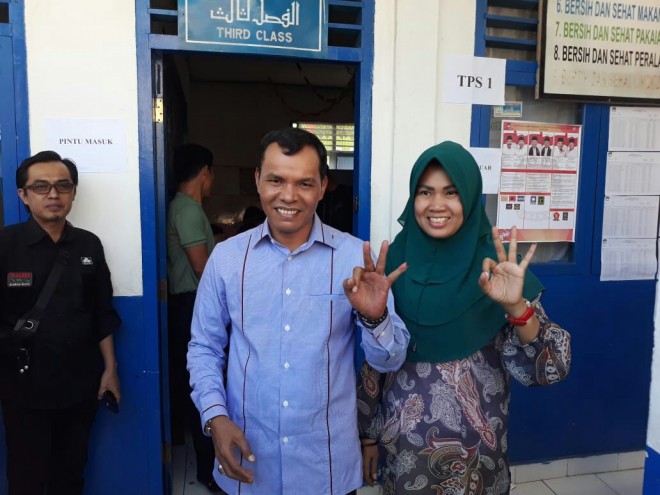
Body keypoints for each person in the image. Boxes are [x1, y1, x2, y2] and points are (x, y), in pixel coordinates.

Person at [187, 127, 410, 495]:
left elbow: (390, 360)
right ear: (258, 180)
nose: (288, 196)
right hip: (249, 463)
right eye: (276, 180)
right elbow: (204, 348)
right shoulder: (226, 259)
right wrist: (215, 416)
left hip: (326, 469)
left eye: (304, 183)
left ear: (322, 187)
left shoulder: (354, 259)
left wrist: (375, 318)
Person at [357, 141, 571, 495]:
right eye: (425, 192)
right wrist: (367, 434)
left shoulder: (498, 269)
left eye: (451, 192)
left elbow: (551, 369)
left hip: (479, 459)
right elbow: (374, 364)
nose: (437, 204)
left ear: (470, 197)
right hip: (406, 456)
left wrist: (517, 308)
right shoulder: (392, 265)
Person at [0, 150, 121, 495]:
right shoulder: (6, 245)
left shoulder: (89, 245)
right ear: (23, 195)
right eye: (41, 186)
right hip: (23, 388)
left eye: (62, 186)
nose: (53, 194)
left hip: (79, 386)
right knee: (26, 479)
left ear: (73, 193)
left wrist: (110, 369)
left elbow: (101, 312)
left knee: (70, 475)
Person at [166, 144, 222, 492]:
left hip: (190, 302)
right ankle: (207, 469)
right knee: (203, 382)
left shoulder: (186, 208)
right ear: (205, 172)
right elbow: (201, 266)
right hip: (191, 304)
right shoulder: (187, 209)